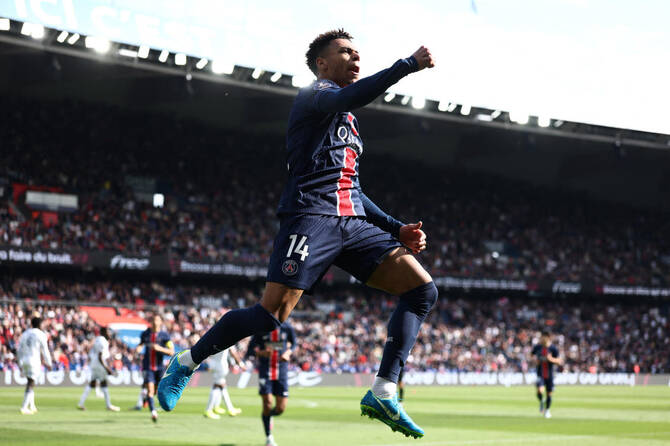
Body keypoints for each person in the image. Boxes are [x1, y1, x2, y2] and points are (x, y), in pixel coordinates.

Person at [158, 29, 437, 439]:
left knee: (422, 290)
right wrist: (407, 65)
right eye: (345, 52)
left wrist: (396, 228)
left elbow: (352, 189)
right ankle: (186, 362)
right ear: (322, 63)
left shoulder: (349, 122)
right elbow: (349, 97)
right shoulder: (315, 94)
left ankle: (383, 391)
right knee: (270, 316)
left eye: (357, 52)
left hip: (352, 222)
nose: (355, 57)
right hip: (311, 217)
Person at [245, 321, 296, 446]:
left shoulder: (287, 327)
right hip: (265, 370)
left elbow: (294, 343)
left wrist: (288, 352)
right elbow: (250, 351)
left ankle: (269, 416)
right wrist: (261, 353)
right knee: (267, 403)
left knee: (280, 409)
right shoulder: (261, 326)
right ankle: (269, 437)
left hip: (281, 371)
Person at [137, 314, 174, 422]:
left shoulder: (164, 335)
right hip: (147, 367)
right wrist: (138, 349)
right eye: (153, 320)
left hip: (159, 368)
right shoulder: (145, 334)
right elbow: (141, 344)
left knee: (157, 391)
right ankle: (153, 412)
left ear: (161, 322)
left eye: (157, 320)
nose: (154, 322)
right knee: (150, 390)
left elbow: (171, 351)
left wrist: (159, 348)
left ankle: (146, 398)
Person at [77, 327, 120, 411]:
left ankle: (80, 403)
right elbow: (100, 355)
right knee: (104, 383)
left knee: (92, 383)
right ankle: (108, 405)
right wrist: (107, 368)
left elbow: (91, 351)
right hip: (99, 365)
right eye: (108, 332)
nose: (110, 334)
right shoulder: (103, 341)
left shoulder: (97, 340)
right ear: (104, 332)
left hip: (93, 364)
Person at [17, 315, 53, 415]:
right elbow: (45, 350)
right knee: (31, 383)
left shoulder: (25, 333)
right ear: (39, 324)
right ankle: (24, 407)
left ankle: (32, 406)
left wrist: (20, 362)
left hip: (25, 360)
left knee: (31, 381)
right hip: (34, 360)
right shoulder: (41, 334)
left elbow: (19, 349)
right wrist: (49, 363)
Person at [203, 344, 246, 419]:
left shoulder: (213, 337)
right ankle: (209, 410)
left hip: (212, 363)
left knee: (221, 386)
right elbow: (233, 352)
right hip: (221, 365)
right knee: (217, 386)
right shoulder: (227, 338)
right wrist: (241, 364)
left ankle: (227, 408)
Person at [532, 332, 562, 419]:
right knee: (539, 391)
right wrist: (535, 360)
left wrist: (550, 359)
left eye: (543, 337)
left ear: (548, 338)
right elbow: (531, 355)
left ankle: (547, 410)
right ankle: (542, 401)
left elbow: (559, 361)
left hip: (550, 374)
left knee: (549, 394)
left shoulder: (553, 348)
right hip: (540, 374)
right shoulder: (538, 347)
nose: (542, 339)